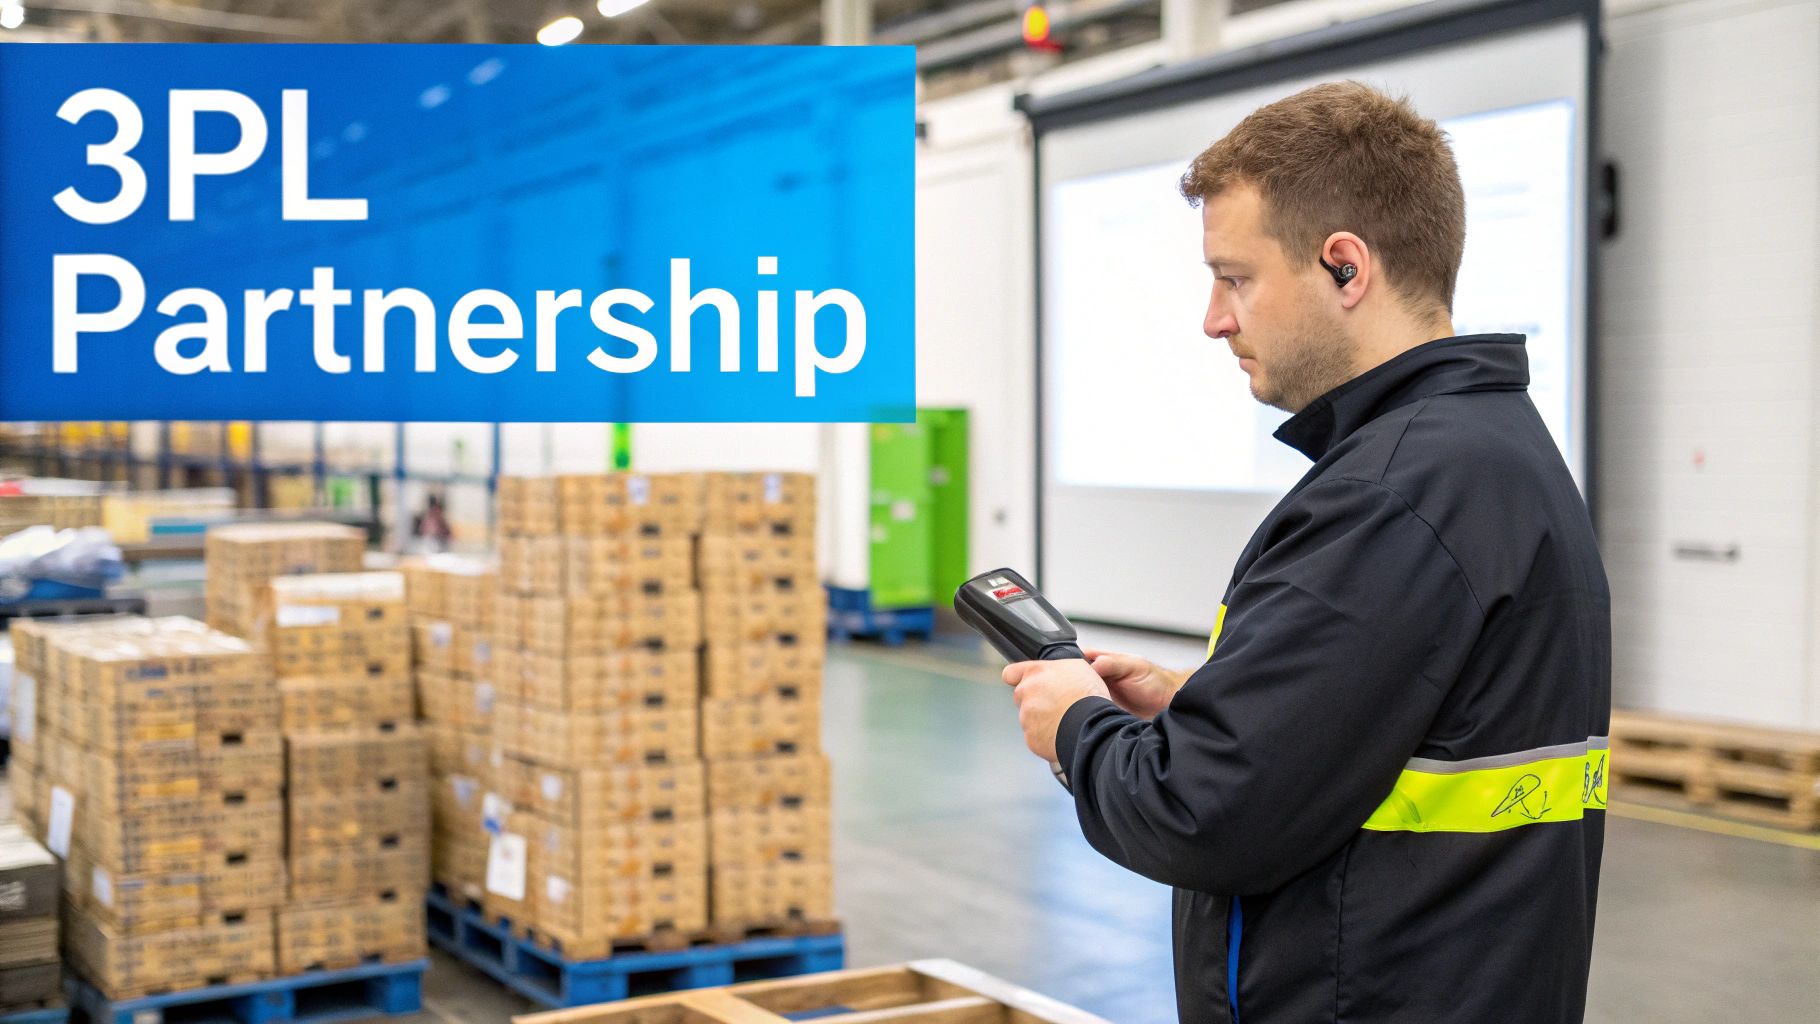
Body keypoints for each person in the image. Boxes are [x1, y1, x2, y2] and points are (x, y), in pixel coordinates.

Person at [1001, 82, 1610, 1023]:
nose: (1214, 318)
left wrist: (1079, 727)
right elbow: (1399, 735)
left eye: (1235, 277)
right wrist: (1208, 707)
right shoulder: (1494, 453)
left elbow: (1199, 813)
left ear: (1343, 267)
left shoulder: (1388, 497)